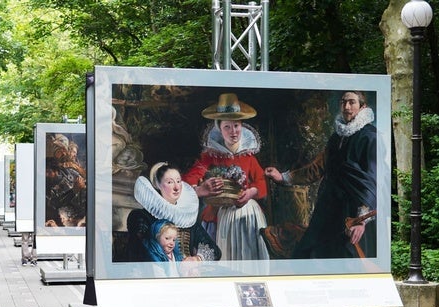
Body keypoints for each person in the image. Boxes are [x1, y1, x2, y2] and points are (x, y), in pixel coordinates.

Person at [264, 91, 377, 259]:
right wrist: (283, 177)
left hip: (353, 211)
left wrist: (361, 221)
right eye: (343, 102)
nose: (346, 107)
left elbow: (372, 181)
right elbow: (317, 168)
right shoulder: (337, 137)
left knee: (348, 258)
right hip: (328, 206)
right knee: (308, 253)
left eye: (352, 102)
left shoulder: (370, 137)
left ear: (363, 107)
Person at [183, 93, 270, 261]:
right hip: (219, 214)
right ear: (219, 129)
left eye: (236, 126)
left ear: (242, 126)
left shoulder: (249, 156)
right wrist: (201, 189)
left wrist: (251, 192)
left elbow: (261, 182)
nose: (233, 132)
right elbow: (190, 179)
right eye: (227, 127)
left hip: (247, 217)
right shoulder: (210, 156)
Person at [127, 162, 221, 267]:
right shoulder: (141, 216)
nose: (176, 187)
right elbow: (141, 255)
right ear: (158, 185)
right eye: (169, 182)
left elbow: (215, 251)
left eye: (178, 181)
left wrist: (196, 259)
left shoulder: (187, 219)